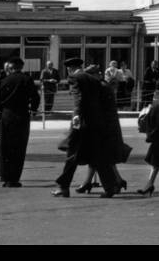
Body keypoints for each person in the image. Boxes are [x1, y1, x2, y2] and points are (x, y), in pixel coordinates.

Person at [52, 58, 122, 198]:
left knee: (72, 153)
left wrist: (76, 120)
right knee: (98, 155)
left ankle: (63, 187)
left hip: (82, 122)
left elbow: (79, 99)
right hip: (96, 122)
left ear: (69, 69)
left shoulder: (75, 77)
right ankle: (110, 186)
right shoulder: (92, 79)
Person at [0, 57, 39, 187]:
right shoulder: (27, 79)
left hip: (6, 115)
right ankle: (14, 178)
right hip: (21, 115)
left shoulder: (4, 80)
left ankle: (5, 177)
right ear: (21, 67)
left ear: (11, 67)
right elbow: (35, 97)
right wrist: (33, 109)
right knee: (19, 148)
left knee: (5, 148)